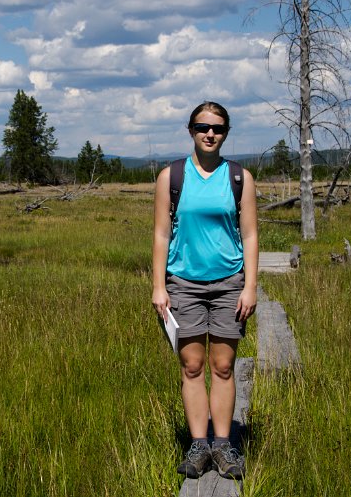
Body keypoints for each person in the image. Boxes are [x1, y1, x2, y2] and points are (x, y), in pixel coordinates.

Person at [152, 101, 258, 480]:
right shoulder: (172, 176)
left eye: (217, 128)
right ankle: (199, 445)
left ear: (226, 132)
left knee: (223, 366)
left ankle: (224, 444)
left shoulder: (239, 178)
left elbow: (249, 234)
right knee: (192, 366)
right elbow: (162, 233)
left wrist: (250, 286)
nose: (209, 134)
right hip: (183, 284)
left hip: (230, 283)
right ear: (191, 130)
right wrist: (158, 287)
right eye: (202, 127)